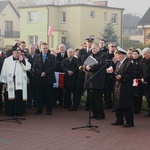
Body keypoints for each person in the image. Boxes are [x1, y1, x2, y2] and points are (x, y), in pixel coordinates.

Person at [0, 47, 31, 115]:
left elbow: (28, 67)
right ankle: (10, 112)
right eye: (17, 53)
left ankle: (19, 112)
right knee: (10, 97)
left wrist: (22, 61)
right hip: (11, 82)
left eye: (19, 53)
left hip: (20, 83)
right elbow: (4, 71)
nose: (19, 54)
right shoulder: (7, 60)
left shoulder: (23, 59)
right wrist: (4, 82)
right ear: (13, 53)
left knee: (19, 96)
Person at [108, 47, 134, 127]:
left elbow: (131, 76)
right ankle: (119, 120)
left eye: (117, 55)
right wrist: (112, 74)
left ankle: (129, 122)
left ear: (122, 55)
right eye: (116, 55)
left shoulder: (129, 63)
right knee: (118, 104)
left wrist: (121, 77)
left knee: (126, 104)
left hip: (125, 87)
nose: (116, 57)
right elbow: (116, 73)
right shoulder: (118, 63)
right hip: (117, 86)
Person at [84, 43, 107, 120]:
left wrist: (90, 67)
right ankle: (94, 113)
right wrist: (86, 67)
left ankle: (100, 114)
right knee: (91, 98)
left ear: (98, 48)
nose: (93, 50)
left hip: (97, 80)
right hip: (89, 79)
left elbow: (101, 65)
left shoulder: (103, 55)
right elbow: (84, 65)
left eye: (94, 48)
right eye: (92, 48)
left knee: (97, 98)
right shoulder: (90, 55)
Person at [70, 36, 94, 111]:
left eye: (90, 42)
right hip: (81, 73)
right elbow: (78, 61)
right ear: (86, 43)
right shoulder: (81, 51)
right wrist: (80, 67)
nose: (89, 44)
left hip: (89, 73)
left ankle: (88, 106)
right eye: (88, 42)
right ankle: (75, 106)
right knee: (78, 90)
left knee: (89, 90)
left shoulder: (93, 51)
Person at [34, 42, 56, 115]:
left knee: (49, 95)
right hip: (39, 78)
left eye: (46, 48)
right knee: (40, 95)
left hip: (48, 78)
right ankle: (39, 110)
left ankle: (49, 110)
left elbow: (53, 67)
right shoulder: (36, 56)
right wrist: (40, 73)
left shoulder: (52, 57)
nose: (45, 49)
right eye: (44, 48)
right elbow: (35, 67)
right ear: (41, 48)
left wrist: (45, 72)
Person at [132, 50, 143, 114]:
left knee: (138, 94)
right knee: (133, 94)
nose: (134, 55)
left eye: (136, 54)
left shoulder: (140, 61)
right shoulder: (131, 61)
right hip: (132, 80)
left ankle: (138, 109)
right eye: (133, 54)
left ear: (138, 55)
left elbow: (140, 70)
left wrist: (134, 74)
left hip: (138, 79)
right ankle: (133, 107)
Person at [140, 47, 150, 116]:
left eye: (145, 54)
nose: (144, 56)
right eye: (143, 54)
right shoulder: (142, 60)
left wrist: (145, 78)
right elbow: (141, 70)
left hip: (148, 80)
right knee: (147, 97)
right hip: (144, 81)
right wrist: (142, 78)